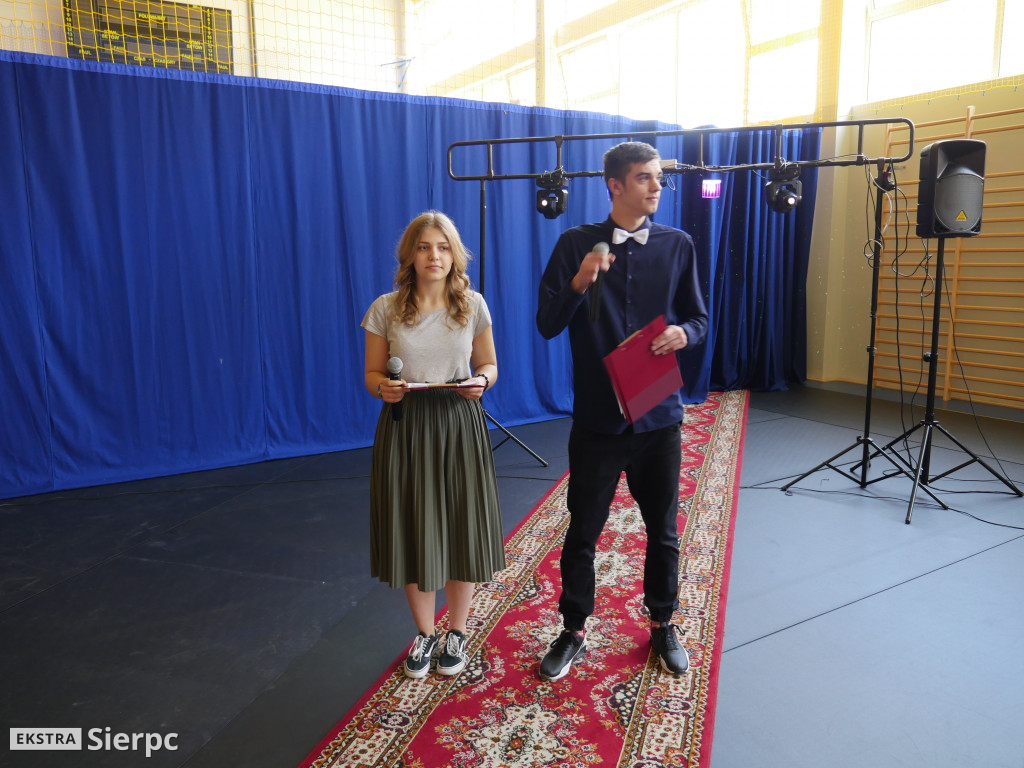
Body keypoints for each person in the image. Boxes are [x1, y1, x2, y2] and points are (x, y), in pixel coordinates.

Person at [535, 141, 709, 682]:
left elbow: (700, 319)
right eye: (643, 178)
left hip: (659, 417)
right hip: (598, 420)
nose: (656, 186)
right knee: (582, 531)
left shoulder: (679, 244)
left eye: (659, 177)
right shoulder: (574, 243)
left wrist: (684, 333)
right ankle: (573, 630)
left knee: (663, 531)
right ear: (614, 185)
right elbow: (547, 323)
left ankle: (662, 623)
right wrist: (580, 280)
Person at [362, 210, 505, 679]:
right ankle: (425, 634)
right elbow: (372, 374)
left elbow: (489, 366)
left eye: (443, 247)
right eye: (424, 247)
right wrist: (383, 388)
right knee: (414, 530)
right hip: (405, 426)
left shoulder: (473, 305)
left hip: (459, 422)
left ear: (455, 254)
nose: (434, 256)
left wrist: (481, 381)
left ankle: (456, 632)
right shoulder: (385, 308)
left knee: (462, 528)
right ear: (410, 254)